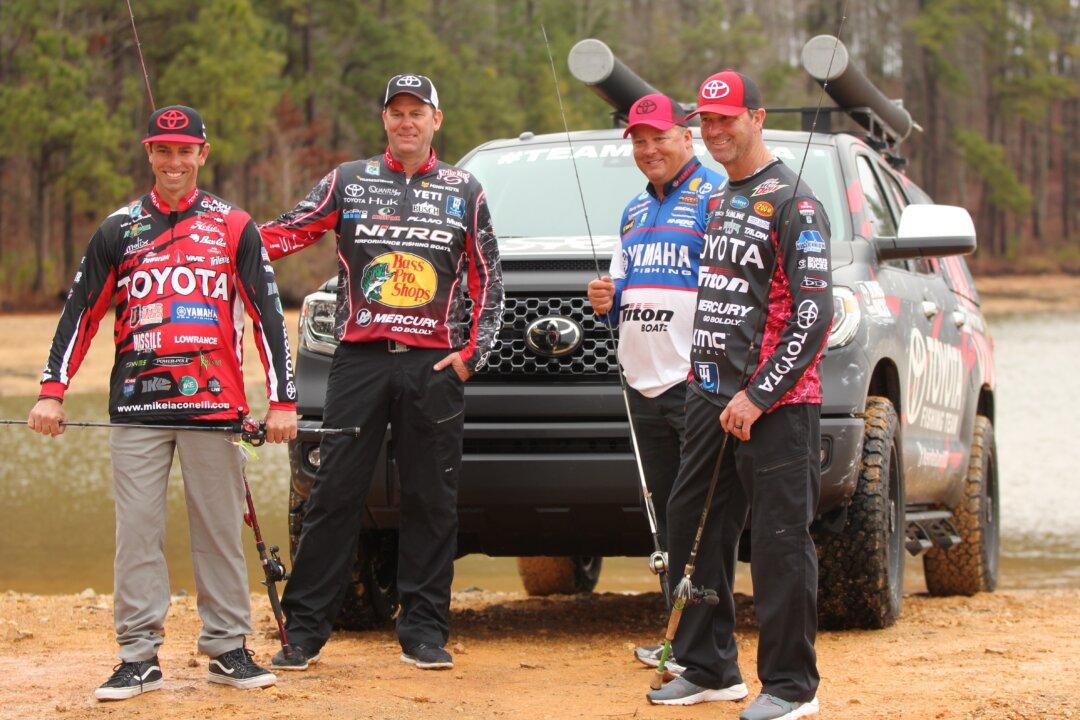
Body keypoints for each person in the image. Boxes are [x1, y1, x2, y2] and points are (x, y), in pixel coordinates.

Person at [27, 105, 298, 700]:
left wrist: (283, 402)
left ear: (203, 154)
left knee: (220, 530)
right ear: (149, 154)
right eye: (162, 150)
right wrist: (53, 391)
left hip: (215, 407)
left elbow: (268, 317)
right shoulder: (116, 229)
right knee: (138, 532)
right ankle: (138, 656)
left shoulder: (234, 226)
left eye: (185, 151)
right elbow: (81, 312)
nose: (174, 162)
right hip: (136, 407)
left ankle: (228, 648)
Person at [259, 74, 503, 672]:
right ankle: (305, 633)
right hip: (359, 361)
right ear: (385, 121)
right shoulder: (348, 179)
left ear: (436, 121)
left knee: (431, 498)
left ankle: (423, 631)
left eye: (417, 112)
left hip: (432, 365)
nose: (407, 123)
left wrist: (473, 355)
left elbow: (490, 277)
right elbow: (287, 231)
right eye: (397, 113)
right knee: (334, 494)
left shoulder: (464, 189)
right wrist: (221, 241)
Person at [646, 71, 833, 720]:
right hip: (708, 396)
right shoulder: (719, 197)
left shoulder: (794, 201)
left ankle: (790, 687)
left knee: (781, 541)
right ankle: (707, 668)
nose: (715, 130)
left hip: (775, 405)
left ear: (756, 118)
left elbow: (815, 313)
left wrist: (759, 395)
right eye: (706, 120)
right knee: (692, 526)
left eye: (727, 119)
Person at [585, 93, 724, 675]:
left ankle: (704, 649)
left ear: (686, 138)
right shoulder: (634, 212)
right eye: (639, 142)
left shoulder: (716, 197)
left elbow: (733, 287)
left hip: (695, 380)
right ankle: (678, 640)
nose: (649, 150)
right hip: (642, 382)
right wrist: (606, 298)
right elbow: (622, 290)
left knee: (702, 518)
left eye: (659, 137)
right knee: (669, 515)